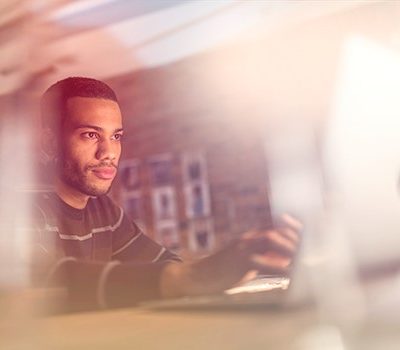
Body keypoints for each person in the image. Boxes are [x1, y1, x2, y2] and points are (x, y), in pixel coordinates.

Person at [32, 77, 300, 311]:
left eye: (116, 137)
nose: (108, 153)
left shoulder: (103, 210)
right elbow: (40, 281)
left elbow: (165, 263)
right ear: (50, 142)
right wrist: (191, 278)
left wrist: (232, 263)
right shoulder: (17, 203)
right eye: (90, 135)